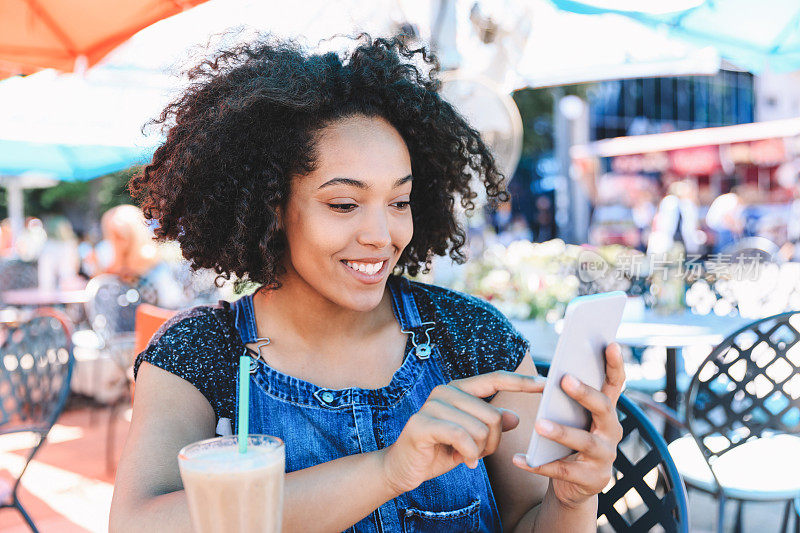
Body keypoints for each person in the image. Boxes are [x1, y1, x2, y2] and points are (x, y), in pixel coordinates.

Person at [109, 33, 624, 532]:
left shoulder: (471, 337)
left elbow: (531, 525)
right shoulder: (202, 353)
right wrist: (388, 471)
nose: (382, 235)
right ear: (271, 206)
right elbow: (137, 524)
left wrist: (573, 499)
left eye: (399, 202)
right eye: (344, 204)